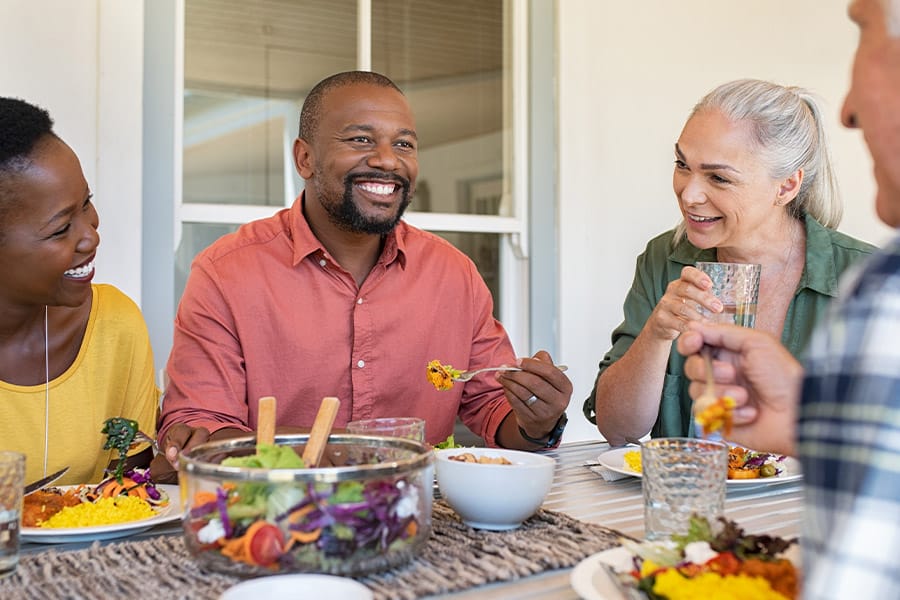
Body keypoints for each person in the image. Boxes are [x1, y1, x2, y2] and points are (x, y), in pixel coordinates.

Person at [155, 71, 572, 476]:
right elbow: (201, 427)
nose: (388, 160)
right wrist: (319, 450)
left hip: (418, 518)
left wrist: (537, 421)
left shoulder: (454, 274)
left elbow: (493, 410)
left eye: (404, 144)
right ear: (305, 158)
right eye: (360, 139)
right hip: (271, 519)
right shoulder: (226, 272)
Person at [678, 0, 900, 596]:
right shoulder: (880, 285)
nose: (848, 111)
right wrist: (809, 419)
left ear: (787, 186)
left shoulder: (878, 286)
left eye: (868, 36)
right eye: (683, 166)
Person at [583, 78, 876, 446]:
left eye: (719, 178)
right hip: (690, 499)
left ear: (786, 186)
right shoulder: (665, 259)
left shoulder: (867, 279)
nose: (689, 195)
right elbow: (617, 428)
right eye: (682, 164)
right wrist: (656, 335)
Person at [0, 97, 159, 486]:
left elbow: (131, 489)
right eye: (59, 229)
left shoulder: (113, 324)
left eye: (86, 203)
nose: (91, 235)